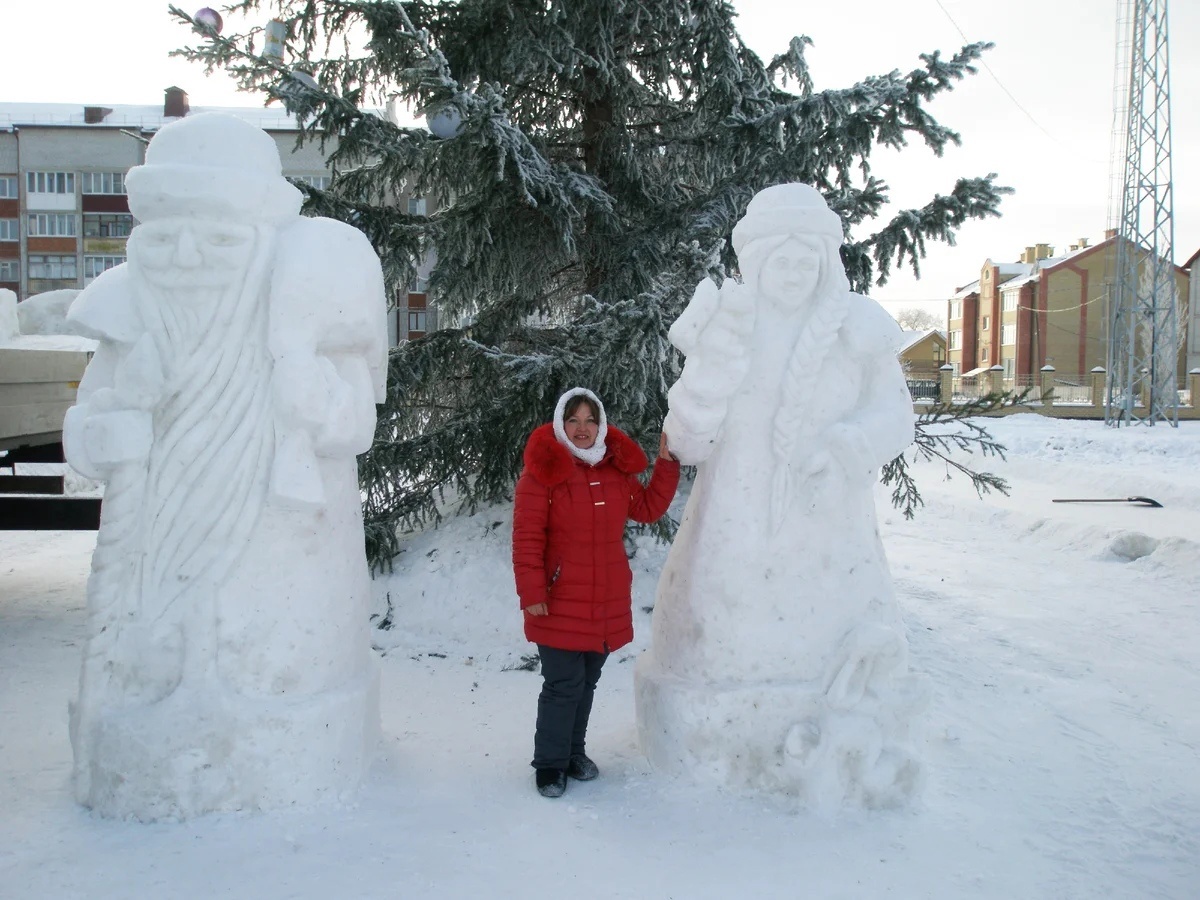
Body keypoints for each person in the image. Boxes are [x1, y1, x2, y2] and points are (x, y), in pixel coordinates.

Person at [635, 183, 927, 808]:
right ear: (757, 262)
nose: (793, 275)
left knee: (824, 628)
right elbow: (687, 441)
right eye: (781, 261)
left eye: (805, 262)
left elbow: (896, 416)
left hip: (830, 528)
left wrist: (847, 444)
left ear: (825, 263)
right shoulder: (730, 325)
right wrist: (706, 378)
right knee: (729, 638)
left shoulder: (854, 328)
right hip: (736, 528)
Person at [512, 387, 680, 798]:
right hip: (558, 599)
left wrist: (665, 464)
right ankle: (549, 766)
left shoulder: (614, 473)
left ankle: (573, 753)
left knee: (586, 681)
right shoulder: (542, 475)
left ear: (601, 425)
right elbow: (527, 539)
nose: (582, 428)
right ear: (560, 424)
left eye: (590, 419)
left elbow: (647, 508)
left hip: (605, 598)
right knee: (562, 684)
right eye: (573, 420)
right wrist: (532, 592)